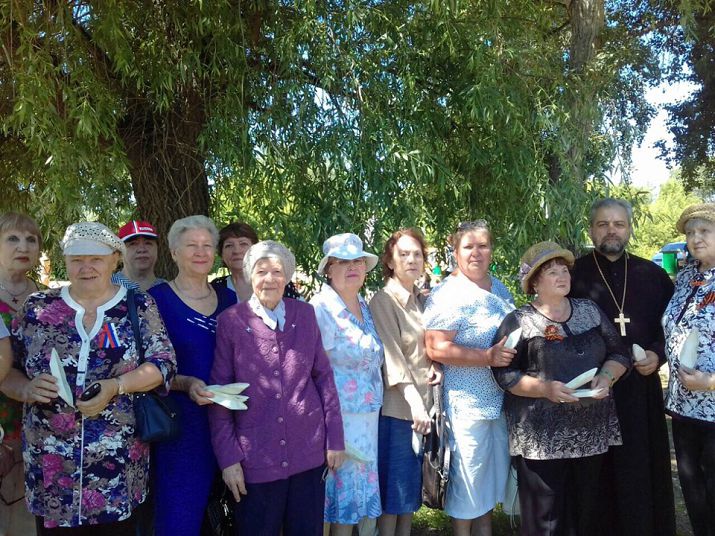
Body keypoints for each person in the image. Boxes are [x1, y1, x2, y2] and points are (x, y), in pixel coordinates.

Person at [4, 221, 176, 533]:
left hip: (116, 470)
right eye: (77, 259)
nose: (86, 267)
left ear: (115, 259)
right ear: (65, 261)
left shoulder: (138, 306)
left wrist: (116, 386)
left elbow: (163, 364)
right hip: (52, 472)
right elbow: (6, 370)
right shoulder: (38, 308)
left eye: (96, 259)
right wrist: (27, 389)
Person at [493, 241, 630, 536]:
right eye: (552, 272)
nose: (562, 276)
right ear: (534, 283)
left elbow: (619, 353)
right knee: (546, 520)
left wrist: (606, 376)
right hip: (542, 437)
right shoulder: (519, 321)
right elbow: (505, 374)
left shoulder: (589, 311)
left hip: (591, 430)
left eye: (564, 270)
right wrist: (544, 389)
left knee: (585, 512)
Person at [209, 240, 346, 535]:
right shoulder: (231, 322)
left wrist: (335, 438)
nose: (269, 279)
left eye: (277, 271)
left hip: (308, 452)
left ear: (287, 276)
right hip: (256, 457)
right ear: (250, 276)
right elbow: (220, 395)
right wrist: (229, 459)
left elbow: (324, 378)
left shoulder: (305, 315)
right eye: (261, 271)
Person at [570, 197, 676, 535]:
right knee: (594, 473)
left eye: (618, 224)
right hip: (592, 390)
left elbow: (672, 329)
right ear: (591, 230)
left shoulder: (654, 275)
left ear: (629, 228)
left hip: (640, 389)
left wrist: (657, 354)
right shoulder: (572, 275)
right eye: (603, 224)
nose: (611, 230)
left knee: (638, 467)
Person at [423, 220, 515, 536]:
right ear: (455, 251)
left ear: (491, 249)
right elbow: (435, 346)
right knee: (467, 483)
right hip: (465, 404)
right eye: (468, 246)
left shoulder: (498, 288)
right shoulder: (447, 293)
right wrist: (486, 357)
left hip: (498, 401)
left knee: (487, 482)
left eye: (483, 245)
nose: (476, 253)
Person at [148, 215, 234, 536]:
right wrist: (185, 383)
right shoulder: (155, 300)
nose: (200, 252)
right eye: (191, 245)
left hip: (228, 422)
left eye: (207, 245)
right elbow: (143, 366)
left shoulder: (229, 300)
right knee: (179, 519)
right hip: (181, 427)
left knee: (227, 520)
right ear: (173, 252)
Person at [310, 233, 384, 535]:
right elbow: (313, 371)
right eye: (342, 262)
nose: (352, 267)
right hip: (337, 418)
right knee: (333, 496)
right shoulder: (321, 308)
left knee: (353, 498)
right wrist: (328, 430)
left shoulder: (363, 304)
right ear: (329, 269)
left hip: (366, 418)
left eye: (358, 261)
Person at [368, 228, 440, 536]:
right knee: (394, 493)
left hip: (423, 407)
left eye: (417, 254)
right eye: (403, 254)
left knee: (409, 493)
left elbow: (426, 347)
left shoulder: (421, 301)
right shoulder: (383, 301)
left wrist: (436, 364)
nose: (412, 260)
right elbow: (393, 357)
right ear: (389, 261)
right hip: (398, 410)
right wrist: (415, 405)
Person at [663, 203, 715, 536]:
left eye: (705, 231)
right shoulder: (686, 278)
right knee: (694, 492)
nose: (696, 238)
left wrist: (710, 382)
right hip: (683, 407)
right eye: (690, 232)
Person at [0, 212, 44, 536]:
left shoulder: (48, 298)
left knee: (26, 516)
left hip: (36, 418)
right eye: (12, 238)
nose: (23, 246)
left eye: (31, 239)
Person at [211, 221, 301, 302]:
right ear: (221, 254)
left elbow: (301, 312)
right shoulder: (216, 288)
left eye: (243, 244)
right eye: (229, 245)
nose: (236, 251)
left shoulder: (278, 283)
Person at [111, 220, 166, 291]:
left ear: (157, 249)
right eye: (133, 244)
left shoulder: (170, 290)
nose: (142, 249)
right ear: (119, 253)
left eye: (148, 243)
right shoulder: (104, 287)